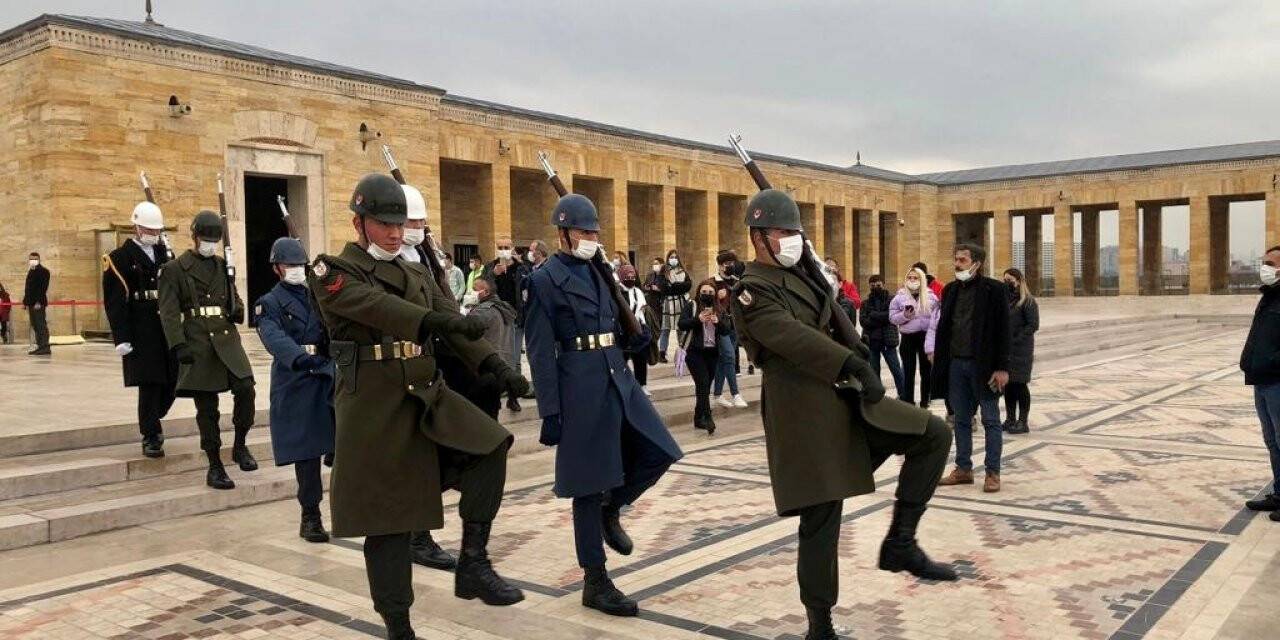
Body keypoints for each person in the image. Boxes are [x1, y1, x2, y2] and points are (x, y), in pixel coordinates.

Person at [308, 173, 529, 638]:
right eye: (384, 223)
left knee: (491, 446)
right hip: (374, 405)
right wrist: (432, 320)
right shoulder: (331, 272)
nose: (394, 232)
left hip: (425, 392)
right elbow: (376, 308)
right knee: (388, 524)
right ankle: (399, 626)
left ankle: (473, 562)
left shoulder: (415, 273)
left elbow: (454, 323)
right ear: (359, 223)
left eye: (400, 224)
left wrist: (496, 365)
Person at [730, 189, 955, 640]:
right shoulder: (750, 290)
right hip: (804, 413)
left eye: (796, 231)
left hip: (845, 400)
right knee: (821, 517)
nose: (793, 239)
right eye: (783, 231)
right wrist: (851, 362)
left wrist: (857, 348)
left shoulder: (802, 275)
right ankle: (820, 625)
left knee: (932, 433)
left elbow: (832, 320)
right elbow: (792, 337)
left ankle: (900, 543)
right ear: (758, 238)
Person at [524, 193, 683, 617]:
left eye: (595, 232)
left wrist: (635, 341)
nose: (591, 238)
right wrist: (550, 411)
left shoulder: (600, 271)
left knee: (661, 449)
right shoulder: (543, 280)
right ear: (562, 233)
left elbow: (614, 319)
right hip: (579, 384)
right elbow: (540, 351)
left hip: (617, 375)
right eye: (583, 232)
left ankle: (613, 510)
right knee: (587, 486)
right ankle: (595, 579)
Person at [157, 211, 257, 490]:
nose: (209, 244)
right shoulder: (174, 269)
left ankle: (240, 445)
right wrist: (177, 345)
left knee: (246, 388)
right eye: (205, 239)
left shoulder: (222, 265)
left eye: (214, 239)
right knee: (207, 408)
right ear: (194, 237)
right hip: (197, 340)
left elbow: (233, 297)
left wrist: (238, 308)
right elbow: (168, 312)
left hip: (226, 338)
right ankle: (214, 464)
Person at [254, 237, 335, 543]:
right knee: (308, 453)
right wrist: (301, 359)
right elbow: (273, 337)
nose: (296, 270)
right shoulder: (269, 302)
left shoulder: (317, 294)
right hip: (297, 377)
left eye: (300, 265)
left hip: (327, 371)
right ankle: (310, 516)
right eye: (290, 265)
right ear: (277, 268)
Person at [927, 244, 1012, 494]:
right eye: (956, 259)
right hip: (956, 365)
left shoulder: (994, 290)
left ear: (977, 263)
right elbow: (945, 328)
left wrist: (1002, 368)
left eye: (962, 260)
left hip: (983, 366)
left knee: (990, 419)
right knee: (961, 419)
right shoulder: (950, 290)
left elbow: (1004, 331)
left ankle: (992, 472)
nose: (957, 264)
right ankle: (963, 468)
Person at [102, 201, 178, 458]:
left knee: (173, 379)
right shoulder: (118, 258)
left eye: (156, 230)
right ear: (135, 226)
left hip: (166, 325)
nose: (152, 234)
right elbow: (115, 301)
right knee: (150, 382)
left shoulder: (165, 254)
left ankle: (154, 417)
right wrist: (121, 337)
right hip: (141, 327)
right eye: (147, 229)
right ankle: (151, 435)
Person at [1241, 245, 1280, 521]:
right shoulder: (1268, 297)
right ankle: (1279, 493)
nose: (1265, 268)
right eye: (1264, 262)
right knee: (1272, 440)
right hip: (1261, 378)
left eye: (1270, 263)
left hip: (1277, 378)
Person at [482, 239, 531, 411]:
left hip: (515, 317)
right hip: (495, 317)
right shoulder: (490, 267)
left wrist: (521, 264)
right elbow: (481, 287)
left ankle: (513, 396)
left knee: (514, 358)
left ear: (512, 249)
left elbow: (530, 284)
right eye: (500, 247)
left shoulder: (520, 267)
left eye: (506, 247)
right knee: (496, 356)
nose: (503, 250)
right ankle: (495, 392)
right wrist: (493, 274)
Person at [678, 279, 726, 434]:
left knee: (704, 386)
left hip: (712, 353)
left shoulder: (719, 308)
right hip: (694, 352)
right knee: (703, 383)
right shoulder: (691, 305)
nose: (707, 295)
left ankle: (698, 418)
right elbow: (681, 324)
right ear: (699, 292)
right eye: (704, 292)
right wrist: (697, 320)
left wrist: (718, 322)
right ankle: (708, 417)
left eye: (710, 292)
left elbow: (727, 330)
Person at [466, 278, 515, 418]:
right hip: (502, 365)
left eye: (474, 289)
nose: (471, 292)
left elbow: (465, 333)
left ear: (485, 292)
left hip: (485, 367)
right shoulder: (502, 307)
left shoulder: (483, 311)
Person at [890, 267, 938, 407]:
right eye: (909, 277)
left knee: (926, 371)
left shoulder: (931, 296)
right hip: (908, 337)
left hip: (925, 337)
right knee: (908, 370)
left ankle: (925, 400)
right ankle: (908, 400)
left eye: (915, 278)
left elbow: (936, 318)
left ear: (921, 279)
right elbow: (892, 318)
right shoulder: (899, 296)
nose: (912, 280)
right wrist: (904, 315)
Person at [1001, 268, 1039, 435]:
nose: (1007, 283)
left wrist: (1016, 337)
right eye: (1005, 280)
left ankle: (1023, 421)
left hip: (1021, 349)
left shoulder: (1028, 301)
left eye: (1009, 280)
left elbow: (1033, 325)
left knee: (1020, 385)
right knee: (1008, 385)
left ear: (1018, 280)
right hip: (1007, 349)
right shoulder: (1005, 301)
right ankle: (1010, 419)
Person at [711, 250, 747, 409]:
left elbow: (747, 301)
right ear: (720, 266)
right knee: (730, 357)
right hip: (720, 326)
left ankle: (717, 394)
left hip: (734, 326)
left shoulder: (737, 282)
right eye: (727, 265)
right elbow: (703, 299)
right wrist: (716, 297)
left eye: (732, 264)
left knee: (723, 360)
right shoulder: (713, 282)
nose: (730, 267)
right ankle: (735, 394)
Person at [859, 274, 904, 397]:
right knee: (874, 371)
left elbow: (891, 317)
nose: (875, 287)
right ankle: (877, 396)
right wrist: (881, 317)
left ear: (883, 284)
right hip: (872, 341)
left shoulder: (892, 300)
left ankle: (903, 394)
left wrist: (873, 314)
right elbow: (863, 321)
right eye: (872, 286)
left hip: (888, 340)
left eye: (878, 285)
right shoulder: (865, 303)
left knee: (896, 370)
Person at [617, 264, 652, 395]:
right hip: (622, 331)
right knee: (622, 359)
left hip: (637, 329)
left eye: (632, 276)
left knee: (640, 359)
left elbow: (642, 309)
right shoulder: (617, 291)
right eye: (627, 276)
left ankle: (642, 384)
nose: (630, 278)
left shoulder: (637, 291)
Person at [658, 250, 691, 361]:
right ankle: (662, 352)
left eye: (675, 257)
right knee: (665, 328)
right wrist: (676, 288)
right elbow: (663, 287)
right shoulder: (664, 271)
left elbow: (688, 285)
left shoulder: (682, 271)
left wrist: (675, 286)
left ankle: (682, 351)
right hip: (668, 303)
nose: (673, 259)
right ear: (668, 258)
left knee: (680, 327)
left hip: (681, 302)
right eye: (671, 257)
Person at [24, 252, 50, 355]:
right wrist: (25, 302)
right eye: (31, 259)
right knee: (35, 325)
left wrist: (38, 302)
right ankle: (40, 346)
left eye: (34, 259)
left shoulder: (44, 271)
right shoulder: (31, 271)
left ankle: (45, 346)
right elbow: (28, 288)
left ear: (39, 259)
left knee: (40, 325)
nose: (32, 261)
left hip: (38, 304)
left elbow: (43, 288)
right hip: (31, 303)